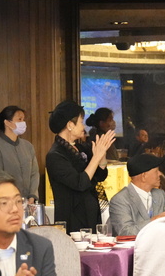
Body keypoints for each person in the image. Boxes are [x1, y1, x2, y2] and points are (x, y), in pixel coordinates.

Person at [46, 100, 115, 234]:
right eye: (81, 122)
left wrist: (102, 155)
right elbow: (80, 183)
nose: (83, 126)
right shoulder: (55, 155)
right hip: (73, 219)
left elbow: (100, 176)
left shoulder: (80, 148)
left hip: (91, 214)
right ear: (70, 125)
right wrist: (96, 157)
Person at [108, 153, 165, 237]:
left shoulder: (159, 194)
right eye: (156, 171)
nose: (160, 174)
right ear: (144, 176)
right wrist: (157, 219)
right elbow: (125, 232)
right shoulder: (120, 199)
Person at [0, 105, 40, 204]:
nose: (23, 123)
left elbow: (34, 173)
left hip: (28, 202)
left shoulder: (28, 146)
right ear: (7, 123)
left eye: (23, 119)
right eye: (19, 119)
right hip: (6, 202)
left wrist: (32, 196)